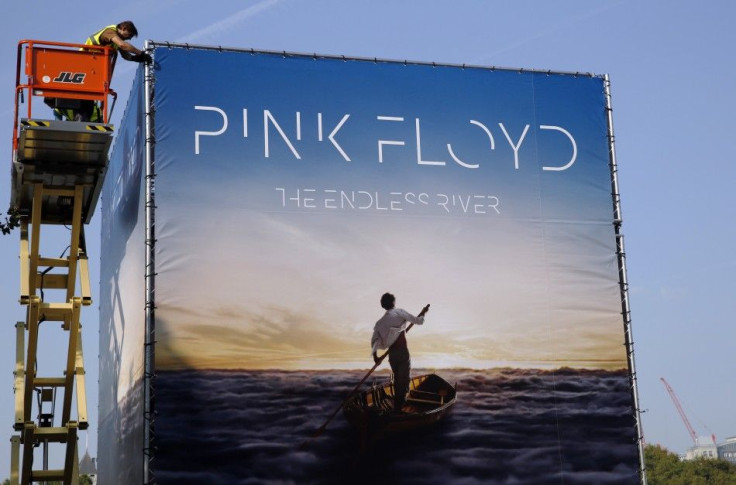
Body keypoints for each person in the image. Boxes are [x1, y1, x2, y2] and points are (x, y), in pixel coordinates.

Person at [48, 21, 151, 121]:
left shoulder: (115, 38)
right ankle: (61, 111)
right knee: (73, 95)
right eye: (129, 35)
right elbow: (123, 45)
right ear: (123, 29)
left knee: (85, 99)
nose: (128, 38)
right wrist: (140, 53)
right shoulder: (110, 32)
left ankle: (76, 117)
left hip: (91, 67)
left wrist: (137, 58)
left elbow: (125, 55)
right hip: (82, 63)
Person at [371, 293, 427, 413]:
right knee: (404, 382)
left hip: (392, 356)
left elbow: (374, 341)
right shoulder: (399, 312)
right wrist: (423, 314)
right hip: (402, 354)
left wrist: (376, 358)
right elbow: (418, 321)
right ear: (393, 302)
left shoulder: (379, 323)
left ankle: (397, 405)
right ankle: (397, 410)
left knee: (398, 381)